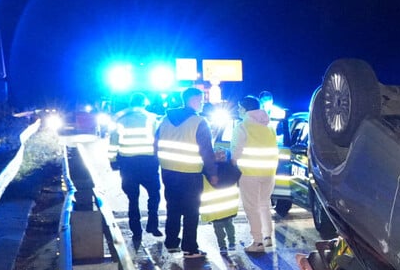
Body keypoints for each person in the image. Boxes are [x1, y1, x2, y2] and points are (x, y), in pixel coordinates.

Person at [155, 87, 218, 259]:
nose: (202, 102)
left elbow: (156, 144)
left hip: (168, 172)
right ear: (193, 100)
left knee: (173, 208)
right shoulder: (199, 122)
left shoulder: (165, 120)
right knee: (191, 211)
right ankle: (190, 247)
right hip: (190, 174)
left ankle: (171, 242)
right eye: (200, 99)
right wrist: (212, 173)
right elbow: (206, 151)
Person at [108, 92, 162, 247]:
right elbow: (158, 141)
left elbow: (113, 142)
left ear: (131, 103)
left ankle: (136, 231)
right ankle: (153, 224)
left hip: (128, 163)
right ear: (145, 103)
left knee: (133, 199)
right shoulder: (152, 119)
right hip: (148, 163)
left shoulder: (120, 119)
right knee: (154, 194)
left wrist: (112, 160)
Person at [231, 95, 278, 253]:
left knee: (252, 207)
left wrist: (231, 163)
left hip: (250, 173)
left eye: (239, 107)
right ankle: (267, 238)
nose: (238, 110)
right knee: (264, 205)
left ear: (245, 109)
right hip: (269, 172)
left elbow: (236, 151)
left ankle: (257, 242)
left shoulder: (243, 126)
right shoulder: (269, 126)